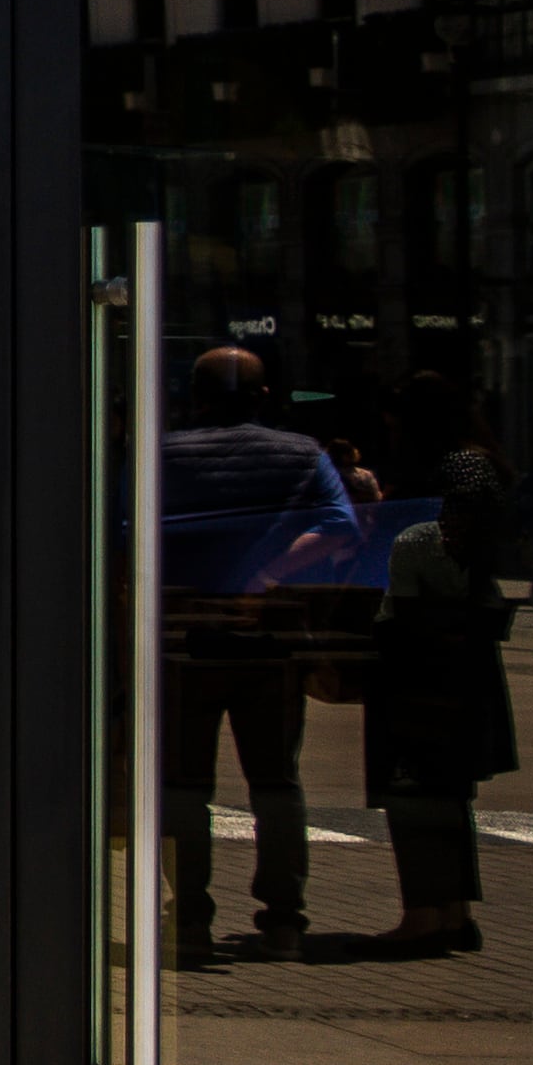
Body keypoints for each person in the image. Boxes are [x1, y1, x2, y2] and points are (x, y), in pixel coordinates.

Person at [156, 343, 372, 965]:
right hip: (269, 642)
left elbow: (123, 534)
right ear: (264, 397)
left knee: (184, 785)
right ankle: (282, 921)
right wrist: (270, 575)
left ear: (192, 396)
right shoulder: (301, 454)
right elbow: (339, 525)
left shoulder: (162, 454)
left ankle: (191, 918)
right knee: (276, 782)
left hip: (184, 640)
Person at [353, 369, 521, 957]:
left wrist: (382, 528)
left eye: (398, 414)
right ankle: (451, 912)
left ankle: (427, 914)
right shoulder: (476, 464)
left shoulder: (458, 469)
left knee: (418, 786)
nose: (390, 425)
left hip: (430, 650)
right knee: (444, 791)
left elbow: (445, 552)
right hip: (454, 648)